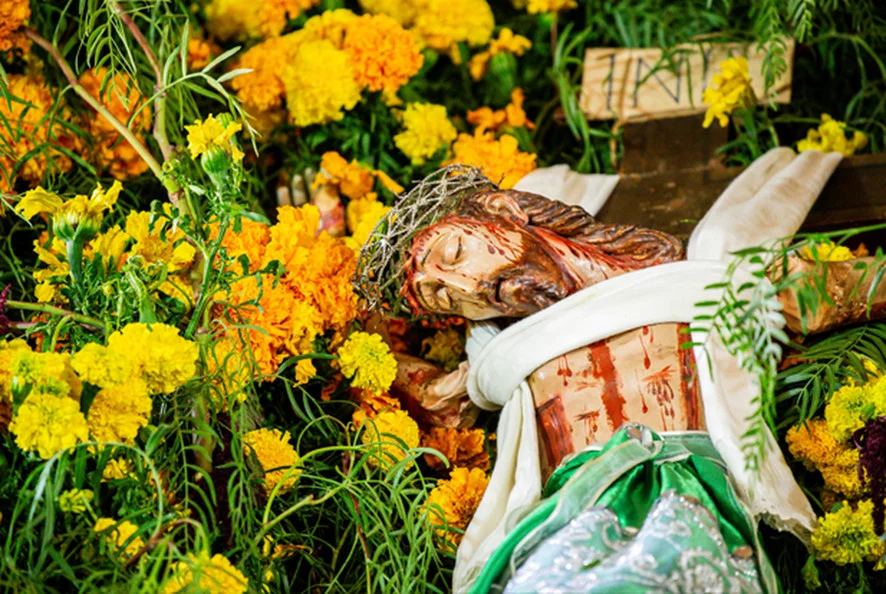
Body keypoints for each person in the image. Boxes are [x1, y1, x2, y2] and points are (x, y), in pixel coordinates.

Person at [356, 149, 875, 593]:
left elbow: (856, 287)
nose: (467, 286)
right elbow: (406, 380)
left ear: (503, 209)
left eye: (456, 252)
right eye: (440, 294)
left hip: (681, 498)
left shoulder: (706, 283)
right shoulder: (499, 355)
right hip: (558, 521)